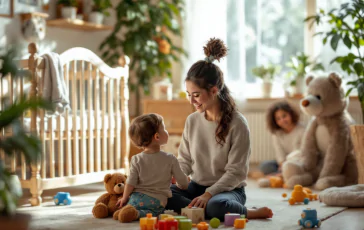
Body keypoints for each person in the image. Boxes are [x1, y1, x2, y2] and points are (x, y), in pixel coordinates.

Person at [165, 38, 273, 220]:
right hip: (196, 187)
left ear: (214, 91)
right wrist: (176, 177)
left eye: (196, 95)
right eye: (189, 95)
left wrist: (209, 194)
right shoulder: (192, 121)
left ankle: (249, 212)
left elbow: (236, 173)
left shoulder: (238, 124)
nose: (191, 101)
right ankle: (198, 208)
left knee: (216, 206)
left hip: (228, 190)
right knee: (163, 194)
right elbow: (184, 161)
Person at [115, 113, 189, 222]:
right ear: (157, 136)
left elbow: (131, 182)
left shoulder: (136, 159)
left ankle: (124, 211)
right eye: (164, 129)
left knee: (131, 207)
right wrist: (184, 183)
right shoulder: (170, 159)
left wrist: (125, 198)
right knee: (154, 213)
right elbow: (183, 182)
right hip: (156, 201)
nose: (166, 131)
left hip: (135, 198)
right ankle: (136, 214)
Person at [259, 100, 306, 175]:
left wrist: (287, 164)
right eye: (278, 119)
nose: (282, 120)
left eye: (284, 116)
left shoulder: (302, 129)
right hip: (284, 163)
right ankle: (282, 174)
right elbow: (279, 152)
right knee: (265, 166)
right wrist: (282, 164)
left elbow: (301, 152)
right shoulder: (277, 133)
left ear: (291, 114)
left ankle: (281, 174)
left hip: (299, 161)